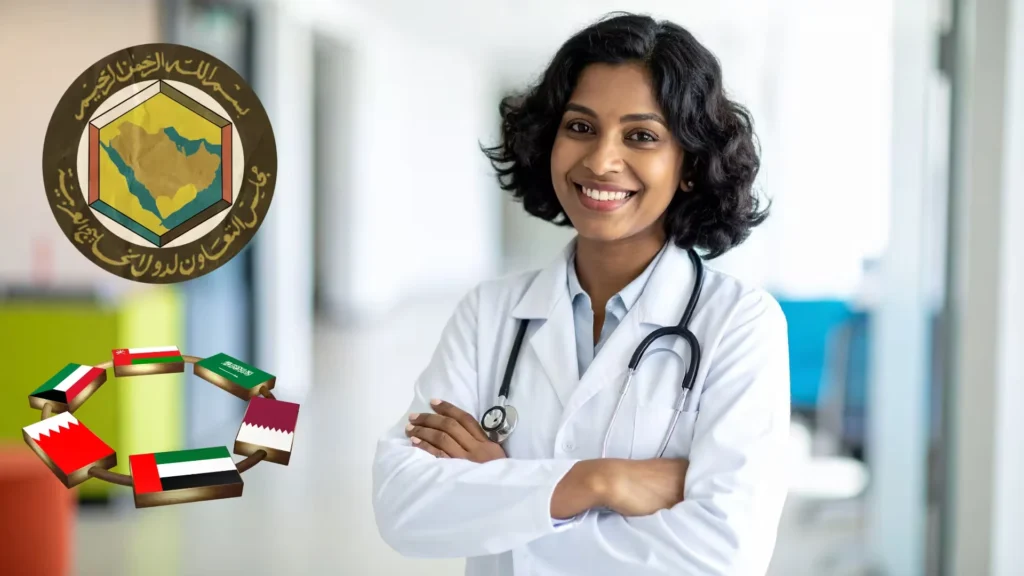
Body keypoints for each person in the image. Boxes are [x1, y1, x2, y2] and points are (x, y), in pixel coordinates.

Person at [372, 12, 790, 576]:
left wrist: (503, 499)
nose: (600, 160)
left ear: (688, 165)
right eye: (580, 127)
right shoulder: (490, 314)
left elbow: (721, 555)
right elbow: (404, 505)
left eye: (641, 136)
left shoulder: (740, 324)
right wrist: (600, 481)